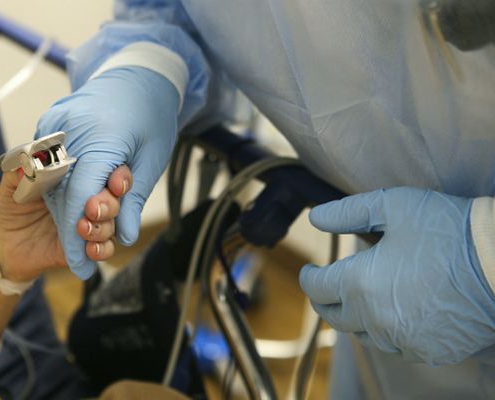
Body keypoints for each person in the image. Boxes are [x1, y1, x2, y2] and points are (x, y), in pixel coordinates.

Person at [34, 0, 495, 398]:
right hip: (394, 281)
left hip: (443, 267)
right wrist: (146, 66)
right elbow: (184, 12)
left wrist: (484, 258)